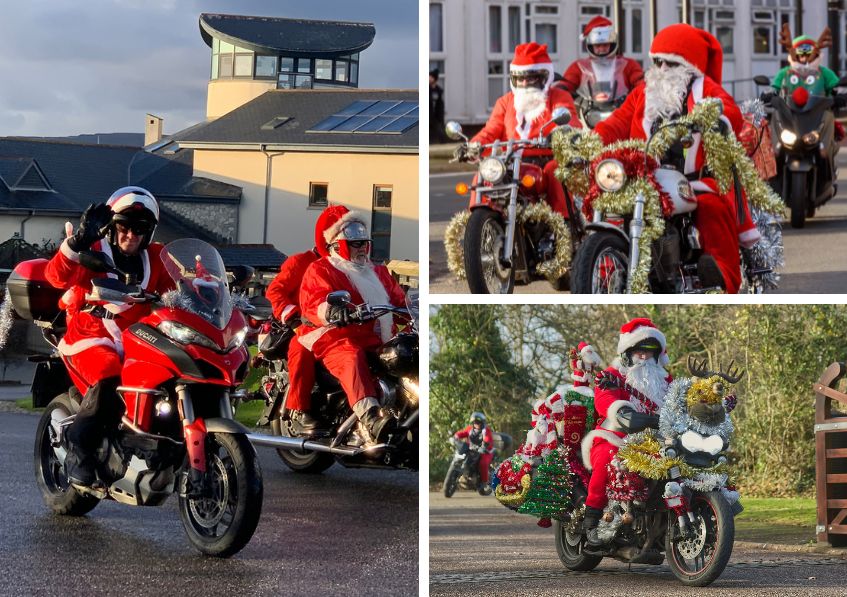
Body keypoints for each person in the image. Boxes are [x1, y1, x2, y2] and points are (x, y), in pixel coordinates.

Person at [594, 23, 757, 293]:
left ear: (688, 66)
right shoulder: (643, 93)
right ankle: (603, 267)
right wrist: (590, 138)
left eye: (671, 63)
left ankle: (722, 276)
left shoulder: (706, 89)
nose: (662, 70)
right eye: (657, 62)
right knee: (611, 206)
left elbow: (729, 110)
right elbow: (616, 122)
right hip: (644, 180)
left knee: (712, 209)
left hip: (694, 180)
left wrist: (718, 119)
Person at [44, 187, 174, 487]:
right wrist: (77, 241)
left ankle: (153, 443)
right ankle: (80, 449)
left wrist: (204, 287)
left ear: (149, 232)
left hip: (138, 337)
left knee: (167, 376)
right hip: (91, 334)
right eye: (124, 226)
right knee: (109, 376)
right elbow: (55, 277)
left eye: (140, 228)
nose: (131, 234)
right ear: (113, 227)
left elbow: (178, 291)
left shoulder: (157, 257)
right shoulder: (94, 250)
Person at [298, 208, 406, 442]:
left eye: (364, 243)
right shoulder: (322, 269)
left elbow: (399, 298)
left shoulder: (378, 271)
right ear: (337, 245)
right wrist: (334, 311)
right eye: (355, 243)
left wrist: (414, 308)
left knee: (407, 353)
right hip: (336, 336)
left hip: (376, 339)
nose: (361, 248)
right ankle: (371, 417)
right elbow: (315, 299)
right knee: (351, 356)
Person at [460, 42, 581, 219]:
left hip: (546, 158)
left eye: (530, 78)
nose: (524, 83)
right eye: (519, 78)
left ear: (543, 76)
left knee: (555, 172)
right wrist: (473, 146)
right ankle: (479, 221)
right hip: (510, 160)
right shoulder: (505, 101)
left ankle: (563, 225)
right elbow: (491, 130)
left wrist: (562, 134)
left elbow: (570, 122)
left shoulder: (558, 97)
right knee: (483, 174)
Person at [580, 318, 672, 547]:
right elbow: (604, 398)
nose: (644, 357)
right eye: (639, 351)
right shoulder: (613, 374)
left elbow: (681, 402)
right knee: (607, 457)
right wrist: (620, 411)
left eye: (649, 353)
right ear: (627, 352)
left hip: (657, 439)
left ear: (657, 355)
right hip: (615, 434)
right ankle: (591, 521)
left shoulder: (666, 380)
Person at [265, 207, 350, 436]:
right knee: (301, 350)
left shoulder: (345, 267)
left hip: (338, 329)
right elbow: (275, 291)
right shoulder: (300, 262)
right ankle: (300, 409)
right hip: (303, 326)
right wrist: (293, 320)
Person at [556, 16, 643, 105]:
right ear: (590, 46)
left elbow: (640, 82)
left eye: (605, 45)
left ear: (612, 44)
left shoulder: (628, 65)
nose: (601, 49)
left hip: (622, 112)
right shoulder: (579, 67)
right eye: (597, 46)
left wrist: (644, 89)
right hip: (586, 113)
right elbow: (567, 83)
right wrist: (559, 90)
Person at [453, 412, 495, 493]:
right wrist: (456, 436)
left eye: (478, 422)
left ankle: (484, 482)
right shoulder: (470, 429)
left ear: (482, 422)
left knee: (483, 463)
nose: (477, 424)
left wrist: (485, 445)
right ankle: (465, 475)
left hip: (485, 451)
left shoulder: (486, 430)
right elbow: (463, 433)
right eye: (475, 422)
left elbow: (487, 439)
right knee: (464, 458)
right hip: (472, 450)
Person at [429, 68, 446, 144]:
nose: (429, 79)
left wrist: (440, 118)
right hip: (429, 116)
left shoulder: (439, 91)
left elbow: (440, 105)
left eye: (431, 77)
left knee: (440, 133)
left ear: (434, 79)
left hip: (436, 118)